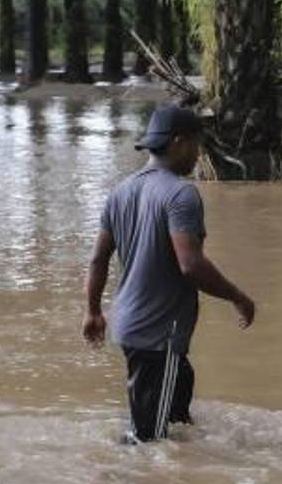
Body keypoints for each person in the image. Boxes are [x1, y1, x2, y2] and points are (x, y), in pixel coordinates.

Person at [83, 105, 256, 442]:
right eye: (196, 144)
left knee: (178, 418)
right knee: (146, 440)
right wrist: (238, 297)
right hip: (157, 334)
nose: (198, 154)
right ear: (178, 143)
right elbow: (190, 265)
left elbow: (97, 260)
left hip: (134, 326)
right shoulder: (181, 194)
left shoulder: (119, 192)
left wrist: (92, 311)